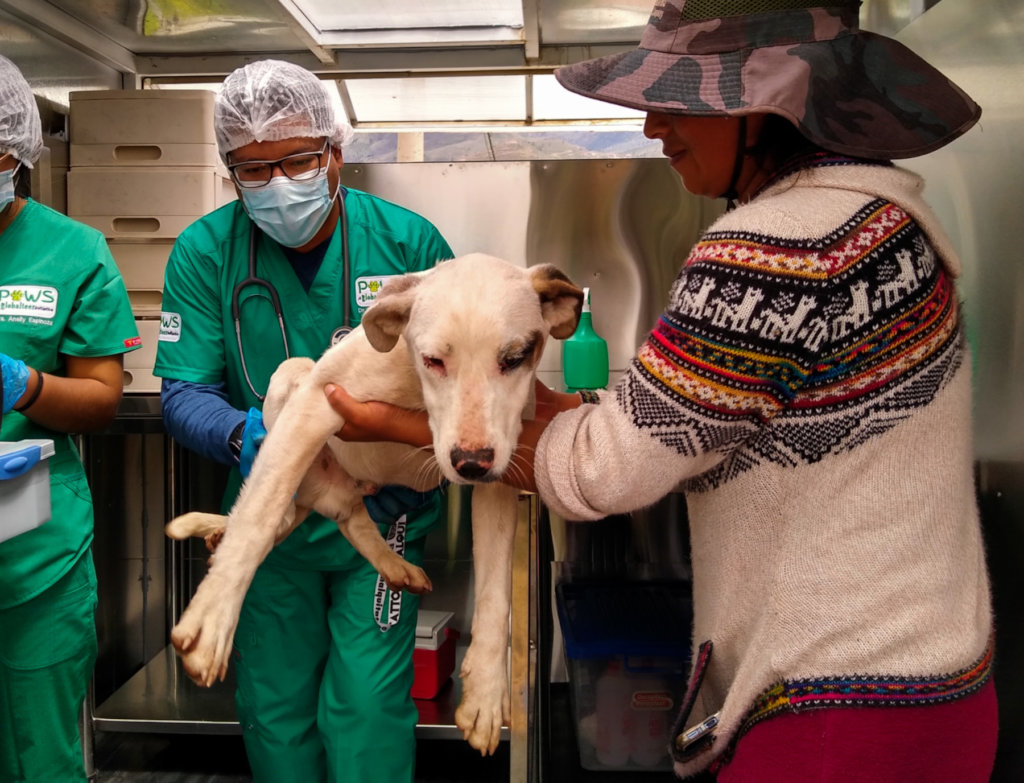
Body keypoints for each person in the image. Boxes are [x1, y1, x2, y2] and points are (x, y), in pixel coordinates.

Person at [323, 2, 997, 781]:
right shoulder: (889, 221)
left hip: (830, 718)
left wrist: (409, 423)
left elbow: (602, 472)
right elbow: (715, 418)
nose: (652, 127)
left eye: (681, 102)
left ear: (765, 104)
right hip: (940, 693)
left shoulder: (769, 250)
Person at [153, 59, 454, 783]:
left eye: (295, 160)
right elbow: (182, 391)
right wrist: (252, 440)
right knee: (275, 709)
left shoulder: (410, 245)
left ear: (334, 153)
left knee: (366, 709)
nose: (278, 184)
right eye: (253, 170)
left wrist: (381, 442)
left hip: (382, 513)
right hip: (268, 513)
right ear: (230, 171)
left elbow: (455, 383)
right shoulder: (204, 251)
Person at [0, 55, 140, 783]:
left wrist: (25, 387)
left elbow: (102, 396)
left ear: (12, 153)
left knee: (40, 754)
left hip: (32, 548)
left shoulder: (72, 251)